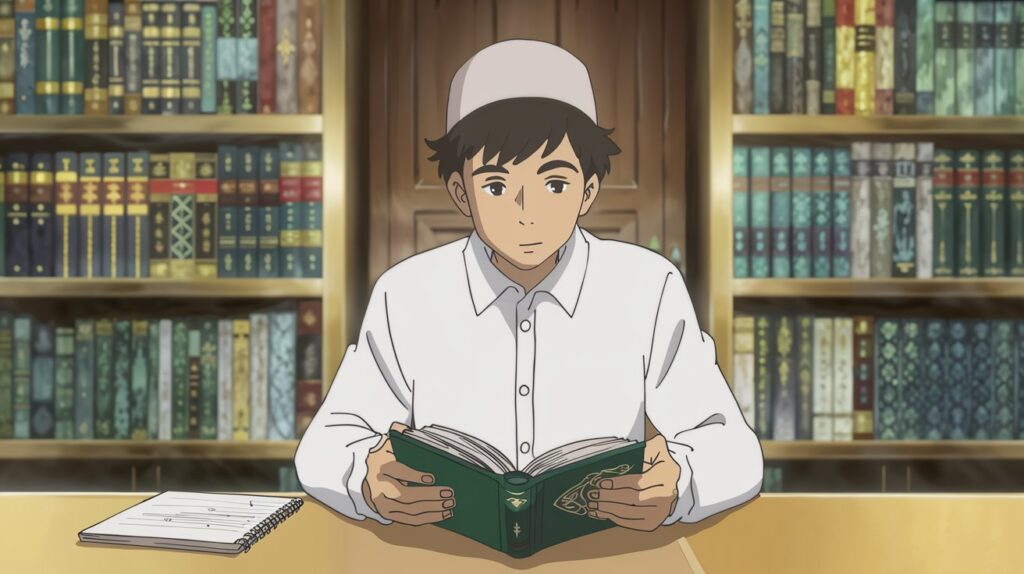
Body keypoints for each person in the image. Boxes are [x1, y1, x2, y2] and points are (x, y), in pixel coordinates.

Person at [295, 39, 763, 533]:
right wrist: (365, 479)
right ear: (461, 192)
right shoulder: (406, 294)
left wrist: (680, 484)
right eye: (496, 186)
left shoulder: (648, 288)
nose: (526, 210)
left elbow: (735, 450)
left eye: (554, 184)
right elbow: (325, 443)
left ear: (588, 190)